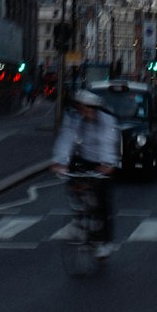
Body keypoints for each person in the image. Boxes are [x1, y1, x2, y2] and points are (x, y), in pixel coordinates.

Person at [53, 89, 121, 257]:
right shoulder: (74, 118)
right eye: (82, 109)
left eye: (89, 109)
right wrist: (60, 162)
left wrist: (107, 164)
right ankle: (78, 214)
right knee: (74, 179)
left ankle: (105, 242)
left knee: (103, 202)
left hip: (102, 160)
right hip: (83, 158)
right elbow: (67, 138)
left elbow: (108, 142)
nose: (86, 113)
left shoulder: (107, 121)